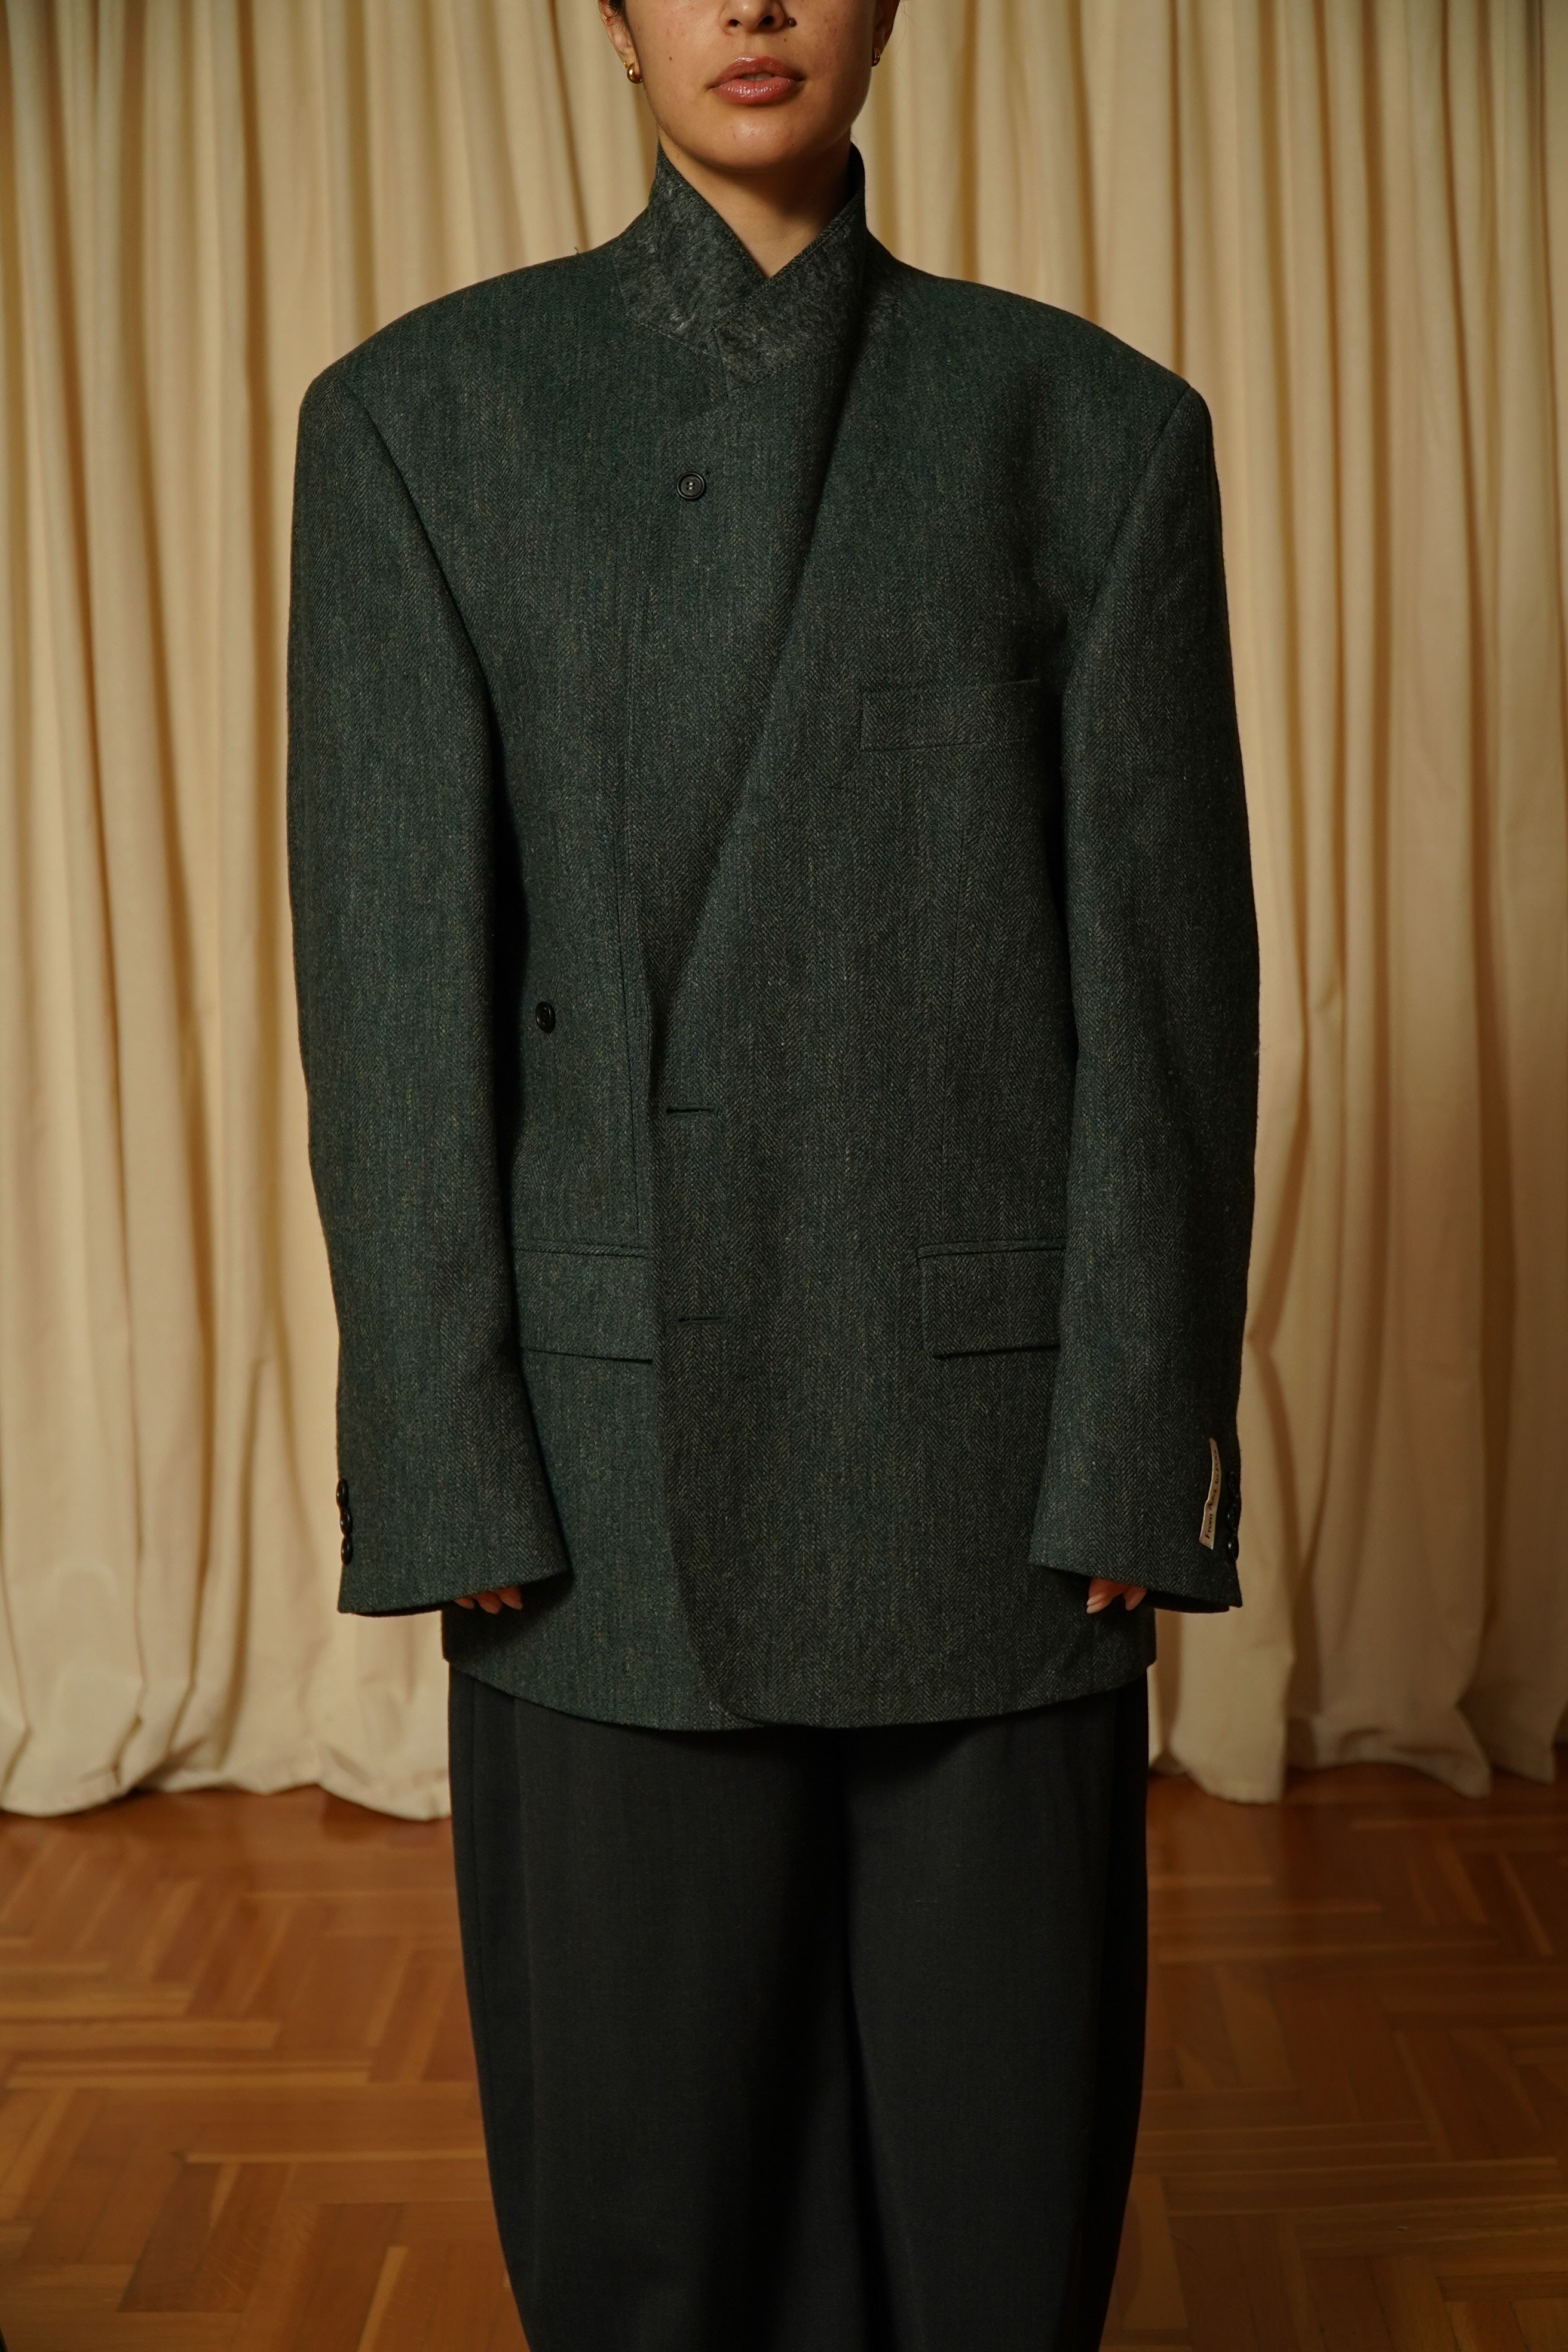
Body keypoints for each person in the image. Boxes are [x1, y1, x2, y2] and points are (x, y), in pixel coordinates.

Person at [285, 0, 1258, 2342]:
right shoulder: (425, 418)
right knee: (645, 2243)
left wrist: (1132, 1450)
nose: (750, 7)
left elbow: (1165, 1006)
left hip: (994, 1477)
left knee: (999, 2240)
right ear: (608, 18)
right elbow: (396, 994)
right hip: (599, 1482)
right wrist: (449, 1457)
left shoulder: (1088, 429)